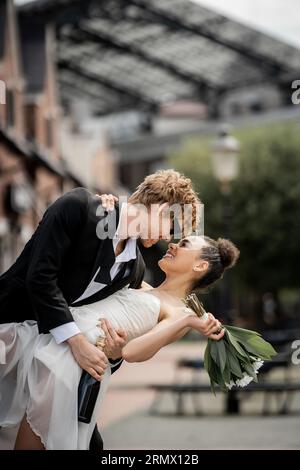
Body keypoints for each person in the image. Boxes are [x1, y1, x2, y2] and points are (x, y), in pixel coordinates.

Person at [0, 169, 200, 450]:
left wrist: (115, 354)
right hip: (7, 335)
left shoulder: (134, 269)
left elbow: (98, 324)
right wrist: (77, 342)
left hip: (48, 360)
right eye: (171, 229)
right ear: (163, 210)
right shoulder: (79, 207)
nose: (168, 239)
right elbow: (40, 278)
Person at [0, 235, 239, 449]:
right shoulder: (140, 284)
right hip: (56, 337)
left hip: (68, 365)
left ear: (200, 265)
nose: (173, 244)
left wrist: (187, 322)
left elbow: (132, 352)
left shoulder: (178, 314)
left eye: (185, 244)